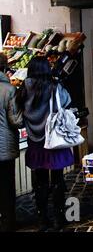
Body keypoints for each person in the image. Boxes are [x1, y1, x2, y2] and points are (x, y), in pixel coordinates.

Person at [17, 56, 74, 232]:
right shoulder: (54, 87)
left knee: (40, 182)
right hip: (53, 140)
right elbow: (66, 101)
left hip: (35, 142)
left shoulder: (23, 89)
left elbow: (20, 112)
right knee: (57, 179)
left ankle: (42, 219)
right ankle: (59, 218)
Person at [0, 53, 22, 232]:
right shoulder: (9, 90)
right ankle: (8, 222)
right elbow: (15, 121)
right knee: (7, 185)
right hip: (4, 146)